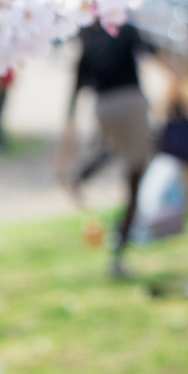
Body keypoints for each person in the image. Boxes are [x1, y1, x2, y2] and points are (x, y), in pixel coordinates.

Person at [67, 19, 165, 278]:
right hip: (131, 104)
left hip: (104, 108)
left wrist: (68, 130)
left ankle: (82, 175)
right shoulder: (127, 28)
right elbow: (154, 54)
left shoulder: (88, 40)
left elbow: (76, 90)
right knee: (135, 178)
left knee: (113, 149)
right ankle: (119, 252)